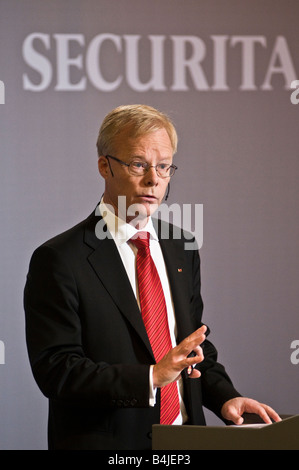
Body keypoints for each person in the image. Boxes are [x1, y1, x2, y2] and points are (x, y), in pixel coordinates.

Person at [24, 104, 280, 450]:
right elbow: (57, 370)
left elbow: (190, 347)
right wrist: (151, 377)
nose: (153, 179)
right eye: (138, 165)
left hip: (185, 443)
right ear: (105, 166)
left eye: (163, 167)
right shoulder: (59, 259)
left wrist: (225, 398)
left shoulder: (182, 247)